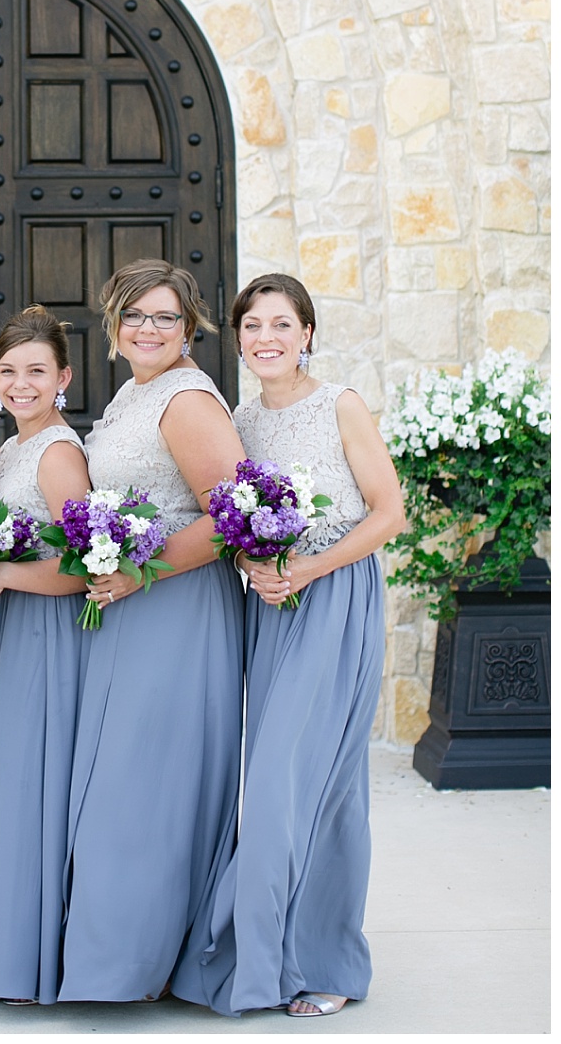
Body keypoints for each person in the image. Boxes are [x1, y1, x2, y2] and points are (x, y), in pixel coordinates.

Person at [171, 273, 405, 1019]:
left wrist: (308, 566)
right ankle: (265, 953)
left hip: (334, 597)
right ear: (237, 338)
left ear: (307, 332)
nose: (266, 338)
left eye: (282, 324)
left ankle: (328, 958)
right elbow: (236, 523)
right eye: (252, 326)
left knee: (309, 782)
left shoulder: (340, 405)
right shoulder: (240, 420)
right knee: (274, 781)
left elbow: (388, 511)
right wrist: (254, 563)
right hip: (271, 607)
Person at [58, 259, 246, 1004]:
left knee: (149, 786)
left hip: (178, 608)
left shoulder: (187, 399)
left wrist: (143, 571)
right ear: (113, 321)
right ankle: (129, 956)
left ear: (190, 325)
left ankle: (139, 963)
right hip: (131, 609)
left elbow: (231, 515)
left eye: (166, 317)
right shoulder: (138, 393)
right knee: (128, 783)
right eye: (136, 314)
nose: (149, 328)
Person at [0, 305, 90, 1004]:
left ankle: (30, 959)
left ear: (63, 376)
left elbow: (84, 566)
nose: (21, 382)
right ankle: (6, 946)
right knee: (9, 786)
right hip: (12, 633)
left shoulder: (58, 452)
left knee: (32, 787)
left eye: (37, 369)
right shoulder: (9, 448)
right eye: (9, 370)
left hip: (48, 632)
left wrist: (3, 574)